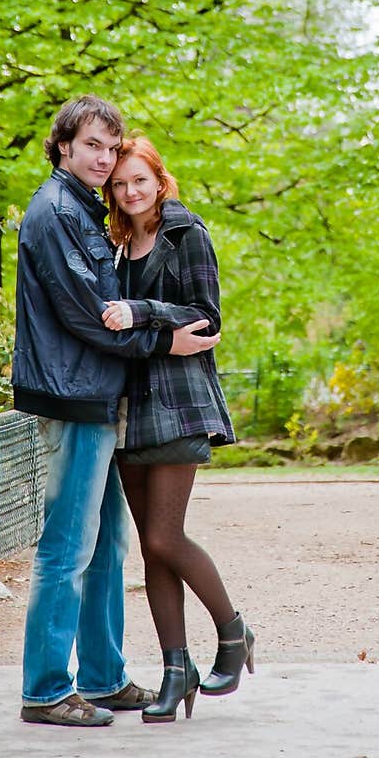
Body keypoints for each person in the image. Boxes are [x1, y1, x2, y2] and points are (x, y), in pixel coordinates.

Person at [12, 95, 220, 728]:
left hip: (102, 396)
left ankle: (102, 677)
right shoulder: (56, 213)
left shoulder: (86, 210)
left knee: (107, 545)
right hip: (73, 396)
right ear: (63, 148)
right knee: (67, 548)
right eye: (91, 147)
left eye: (112, 146)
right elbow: (86, 313)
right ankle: (46, 689)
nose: (104, 159)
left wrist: (156, 329)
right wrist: (164, 339)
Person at [101, 135, 255, 723]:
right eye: (119, 183)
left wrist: (142, 311)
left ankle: (233, 632)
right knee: (151, 551)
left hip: (179, 404)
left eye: (139, 179)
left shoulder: (186, 233)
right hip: (130, 408)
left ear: (159, 179)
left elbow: (207, 318)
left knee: (166, 538)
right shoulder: (118, 243)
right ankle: (175, 669)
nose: (130, 191)